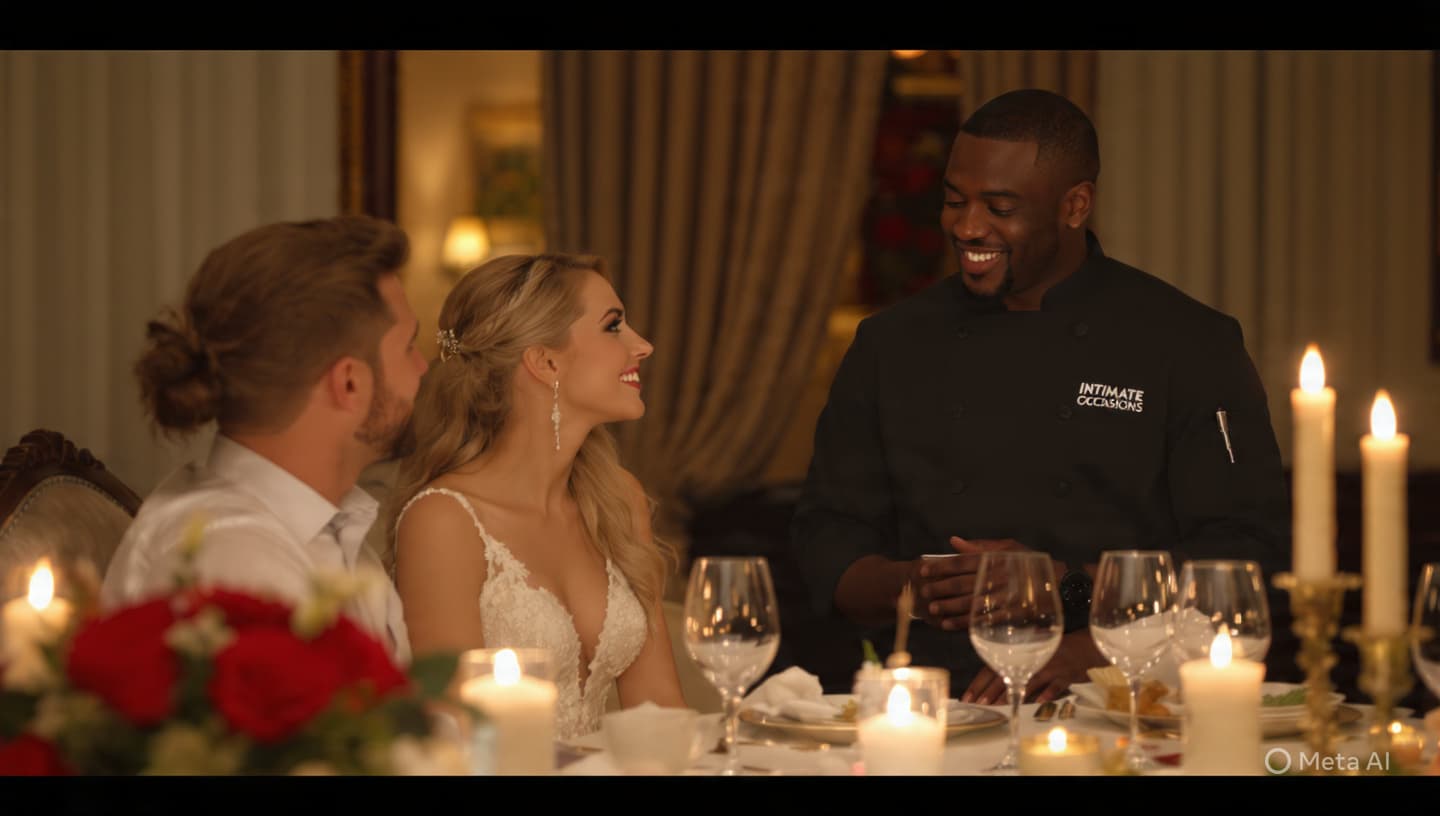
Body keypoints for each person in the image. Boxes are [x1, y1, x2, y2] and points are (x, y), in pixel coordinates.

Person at [790, 88, 1290, 704]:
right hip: (928, 699)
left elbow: (1244, 550)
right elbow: (826, 536)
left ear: (1075, 205)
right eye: (954, 201)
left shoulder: (1187, 343)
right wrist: (918, 587)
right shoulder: (889, 343)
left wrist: (1075, 601)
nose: (968, 227)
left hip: (1123, 694)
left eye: (1000, 207)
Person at [103, 215, 426, 665]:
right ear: (349, 383)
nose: (423, 369)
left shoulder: (326, 523)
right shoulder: (233, 563)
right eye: (410, 347)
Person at [388, 252, 684, 739]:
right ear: (545, 362)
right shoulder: (444, 520)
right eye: (614, 327)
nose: (643, 346)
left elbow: (661, 712)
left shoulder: (618, 502)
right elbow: (458, 737)